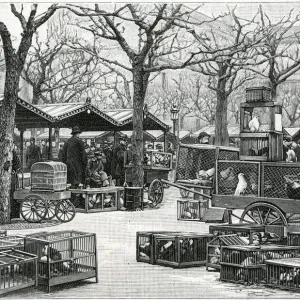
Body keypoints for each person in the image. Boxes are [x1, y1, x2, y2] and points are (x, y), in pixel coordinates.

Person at [10, 148, 22, 219]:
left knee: (13, 196)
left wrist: (12, 170)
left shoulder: (10, 151)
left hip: (11, 178)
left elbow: (17, 165)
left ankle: (14, 215)